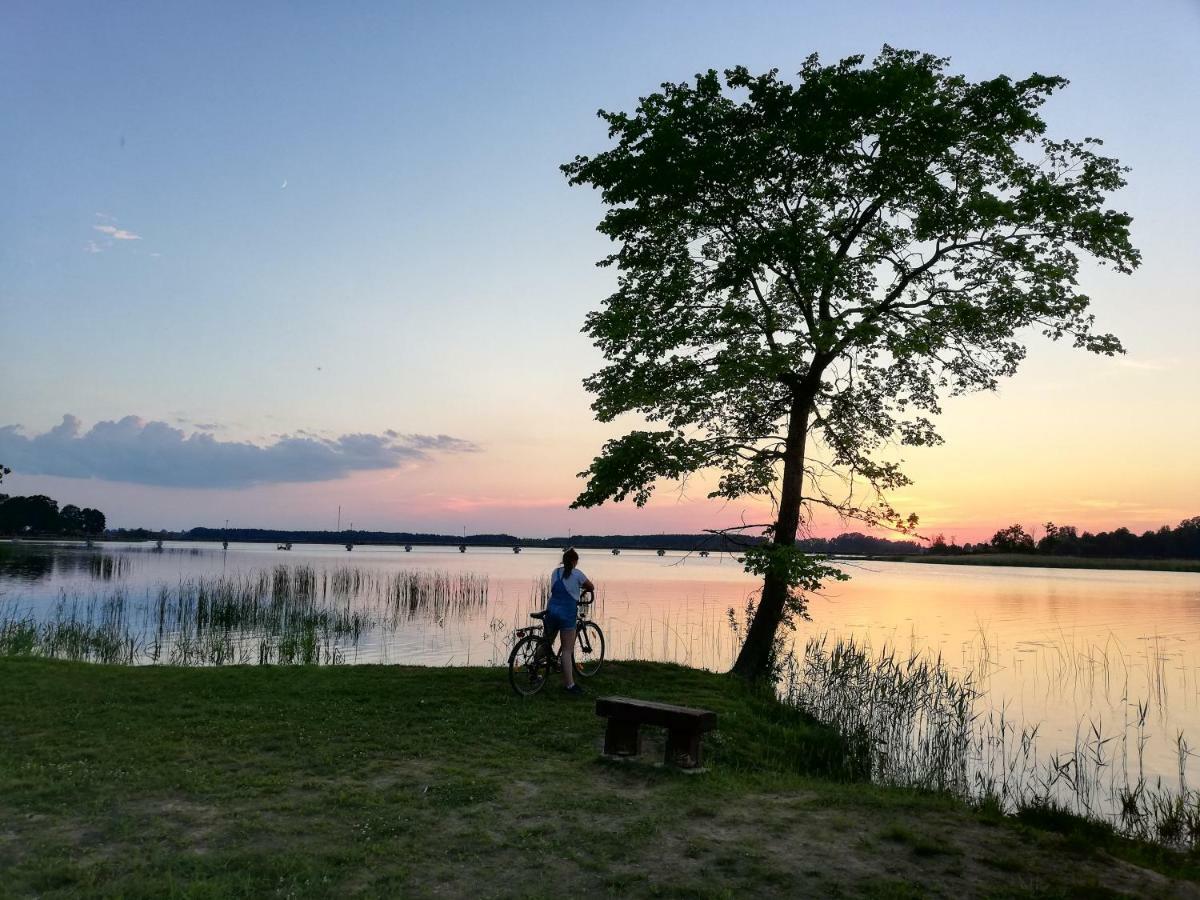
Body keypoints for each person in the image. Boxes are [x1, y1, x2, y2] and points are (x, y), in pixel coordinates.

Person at [544, 547, 594, 695]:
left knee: (546, 642)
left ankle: (534, 670)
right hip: (567, 614)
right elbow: (591, 586)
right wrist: (582, 588)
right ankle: (570, 685)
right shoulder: (577, 574)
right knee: (567, 650)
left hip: (552, 611)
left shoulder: (555, 572)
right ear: (574, 561)